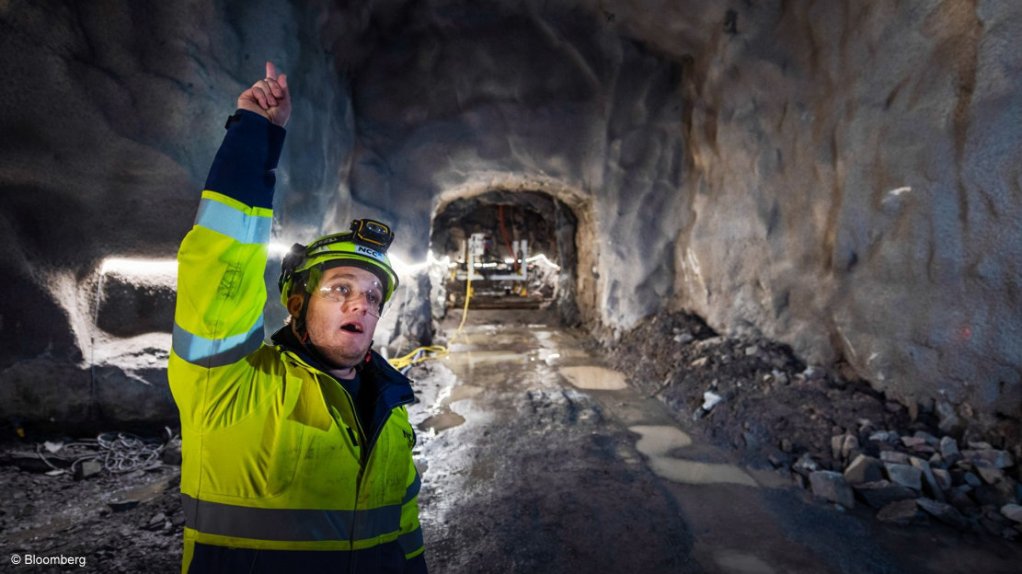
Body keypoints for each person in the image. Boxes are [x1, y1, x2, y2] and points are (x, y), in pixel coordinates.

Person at [169, 61, 427, 573]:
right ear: (295, 306)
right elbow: (221, 260)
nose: (362, 304)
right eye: (340, 289)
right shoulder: (227, 386)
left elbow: (406, 538)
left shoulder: (392, 414)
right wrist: (256, 135)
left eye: (374, 297)